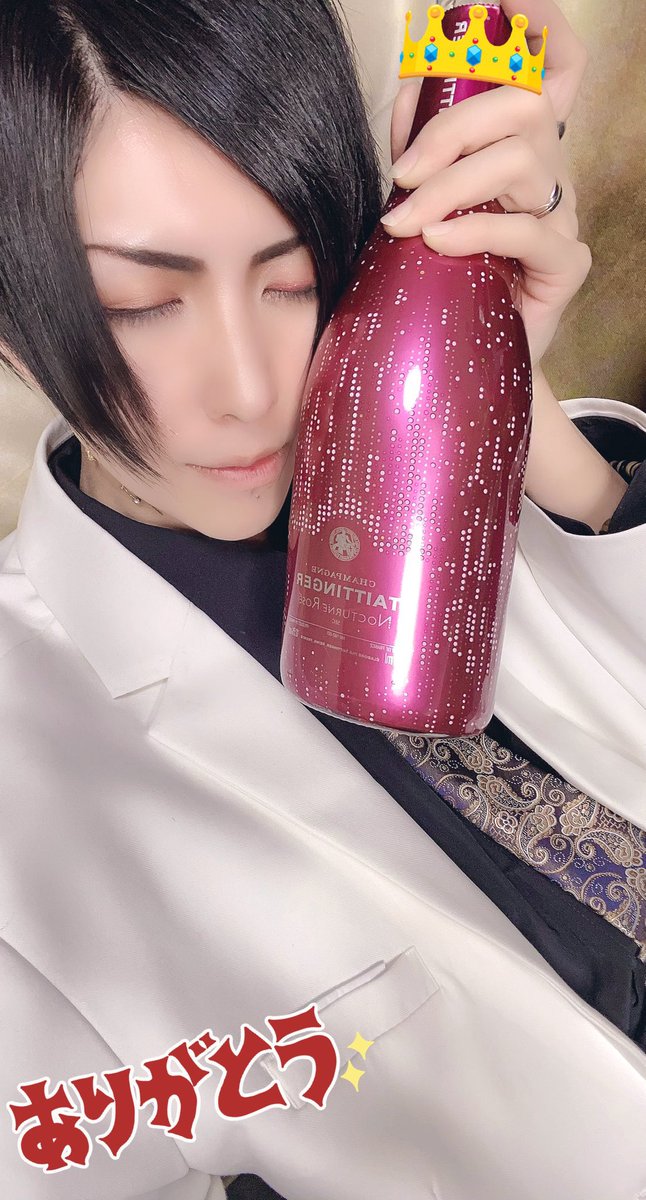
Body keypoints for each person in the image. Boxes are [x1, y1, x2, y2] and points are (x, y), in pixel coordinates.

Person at [1, 2, 645, 1199]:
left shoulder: (455, 445)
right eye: (141, 304)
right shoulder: (28, 780)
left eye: (291, 274)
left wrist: (537, 433)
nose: (250, 390)